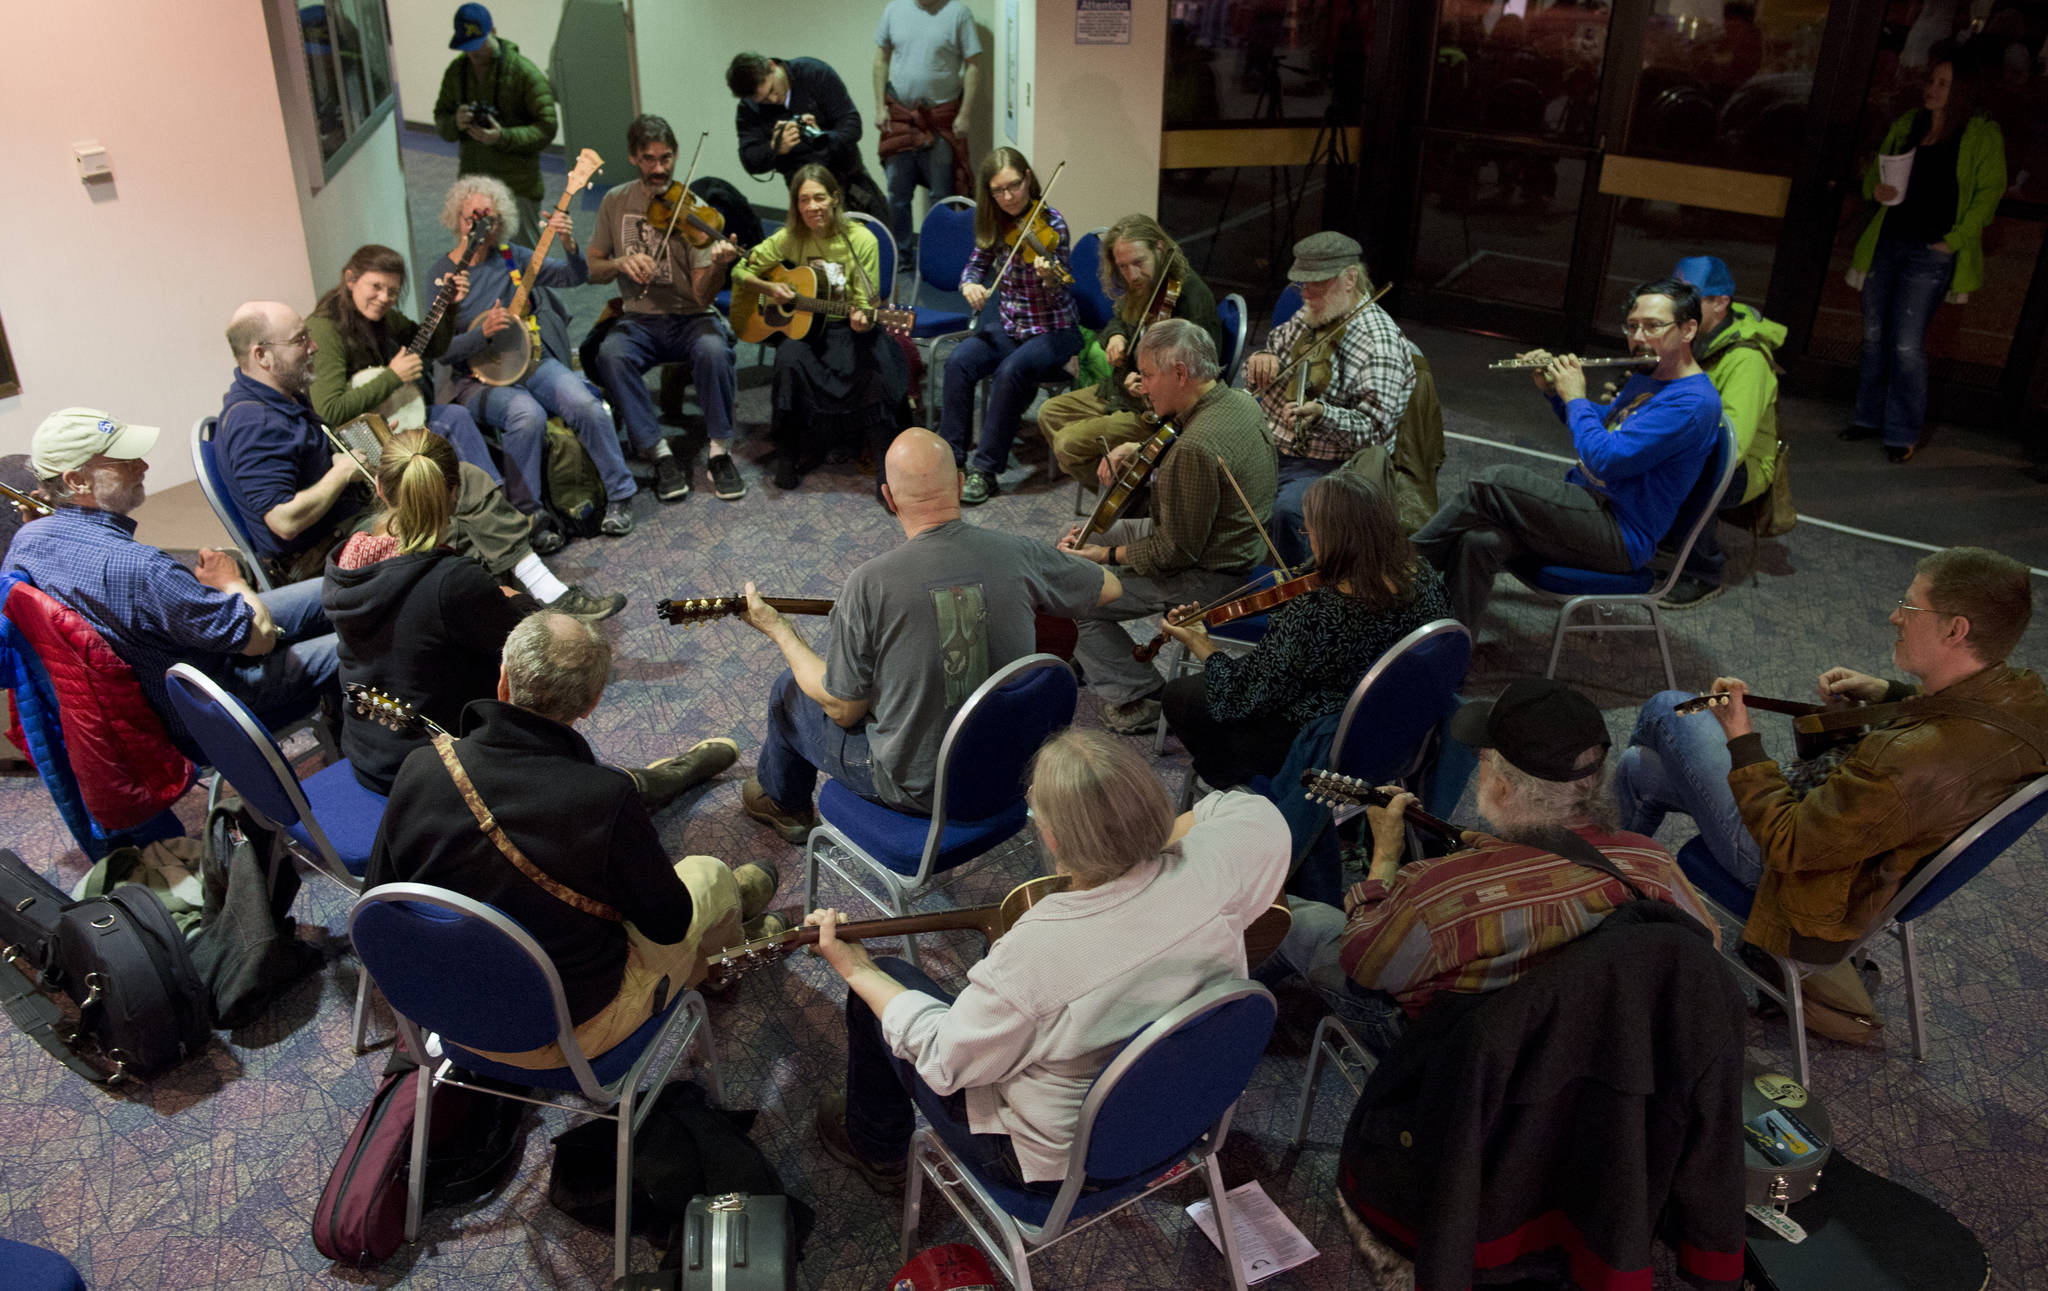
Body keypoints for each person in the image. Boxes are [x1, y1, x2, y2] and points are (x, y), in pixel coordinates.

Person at [806, 728, 1288, 1192]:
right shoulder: (1220, 865)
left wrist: (855, 968)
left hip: (1064, 1167)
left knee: (885, 983)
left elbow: (942, 1060)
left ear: (1054, 837)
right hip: (1187, 1110)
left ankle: (876, 1146)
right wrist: (1153, 846)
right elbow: (1244, 807)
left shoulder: (1036, 954)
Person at [365, 611, 774, 1068]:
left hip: (447, 1014)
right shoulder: (604, 797)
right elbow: (667, 925)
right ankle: (722, 963)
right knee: (709, 875)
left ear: (502, 679)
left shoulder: (422, 767)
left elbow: (378, 898)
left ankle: (723, 936)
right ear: (592, 703)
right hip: (566, 1034)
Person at [1617, 547, 2048, 968]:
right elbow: (1957, 723)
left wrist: (1740, 736)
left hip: (1791, 874)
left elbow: (1787, 844)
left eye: (1910, 608)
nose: (1895, 616)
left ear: (1955, 630)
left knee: (1670, 708)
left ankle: (1598, 885)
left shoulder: (1906, 758)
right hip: (1850, 858)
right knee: (1640, 767)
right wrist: (1889, 694)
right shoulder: (2026, 697)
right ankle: (1606, 878)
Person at [1268, 679, 1716, 1056]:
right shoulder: (1650, 861)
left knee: (1292, 916)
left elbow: (1364, 962)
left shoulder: (1438, 894)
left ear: (1501, 788)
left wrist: (1384, 858)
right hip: (1592, 1057)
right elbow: (1706, 945)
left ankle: (1228, 1005)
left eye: (1482, 757)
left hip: (1456, 1057)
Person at [736, 428, 1116, 840]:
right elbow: (1111, 588)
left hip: (920, 791)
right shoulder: (1020, 552)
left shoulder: (868, 584)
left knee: (788, 691)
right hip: (1013, 771)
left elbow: (843, 709)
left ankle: (785, 804)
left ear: (888, 497)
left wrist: (780, 630)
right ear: (957, 484)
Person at [326, 430, 736, 803]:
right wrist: (508, 598)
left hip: (371, 754)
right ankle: (640, 786)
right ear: (454, 493)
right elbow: (529, 645)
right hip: (445, 762)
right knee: (561, 662)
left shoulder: (346, 559)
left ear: (379, 488)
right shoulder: (450, 582)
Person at [216, 299, 620, 619]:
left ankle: (533, 602)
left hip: (346, 520)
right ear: (262, 356)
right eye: (300, 340)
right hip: (323, 554)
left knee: (459, 477)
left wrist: (361, 457)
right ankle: (528, 611)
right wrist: (340, 474)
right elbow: (282, 522)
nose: (313, 346)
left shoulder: (281, 396)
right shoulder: (256, 423)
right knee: (457, 527)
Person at [3, 408, 338, 760]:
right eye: (123, 460)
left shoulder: (26, 542)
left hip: (160, 690)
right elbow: (259, 640)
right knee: (355, 641)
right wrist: (231, 583)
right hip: (211, 702)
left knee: (330, 590)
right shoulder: (143, 569)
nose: (142, 466)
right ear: (76, 481)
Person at [1410, 278, 1722, 632]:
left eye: (1652, 326)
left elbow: (1604, 457)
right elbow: (1600, 429)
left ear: (1688, 329)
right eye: (1632, 327)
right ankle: (1444, 652)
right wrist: (1556, 393)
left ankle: (1395, 573)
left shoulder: (1693, 402)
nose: (1638, 338)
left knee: (1494, 481)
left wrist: (1575, 396)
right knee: (1477, 542)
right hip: (1586, 506)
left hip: (1619, 532)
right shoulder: (1647, 376)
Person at [1160, 474, 1451, 790]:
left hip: (1322, 741)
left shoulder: (1315, 614)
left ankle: (1252, 789)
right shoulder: (1425, 579)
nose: (1308, 538)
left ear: (1331, 538)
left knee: (1180, 695)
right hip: (1395, 730)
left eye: (1309, 530)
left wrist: (1200, 642)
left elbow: (1240, 697)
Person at [1058, 319, 1277, 736]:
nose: (1142, 386)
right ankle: (1090, 656)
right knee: (1085, 536)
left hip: (1210, 576)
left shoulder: (1194, 449)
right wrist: (1139, 448)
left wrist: (1104, 557)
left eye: (1150, 375)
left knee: (1075, 598)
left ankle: (1143, 696)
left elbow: (1173, 552)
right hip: (1224, 545)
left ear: (1180, 373)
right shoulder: (1239, 403)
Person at [426, 175, 641, 533]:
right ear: (457, 221)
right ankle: (530, 514)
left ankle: (620, 493)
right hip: (474, 378)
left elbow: (574, 277)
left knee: (585, 403)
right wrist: (481, 334)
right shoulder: (444, 273)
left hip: (529, 362)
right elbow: (441, 352)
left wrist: (569, 243)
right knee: (527, 415)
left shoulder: (513, 256)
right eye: (471, 218)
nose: (480, 227)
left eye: (489, 219)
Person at [1841, 43, 2004, 463]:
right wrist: (1874, 189)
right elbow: (1876, 176)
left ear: (1962, 91)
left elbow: (1988, 196)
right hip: (1888, 241)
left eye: (1943, 84)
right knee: (1875, 336)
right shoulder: (1909, 123)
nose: (1931, 88)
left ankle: (1901, 431)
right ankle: (1867, 417)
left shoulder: (1980, 134)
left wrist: (1953, 240)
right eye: (1931, 81)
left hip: (1929, 251)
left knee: (1907, 344)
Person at [587, 114, 747, 505]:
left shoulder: (693, 210)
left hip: (689, 317)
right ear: (633, 159)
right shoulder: (615, 201)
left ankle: (719, 451)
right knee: (611, 354)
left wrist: (719, 267)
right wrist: (620, 263)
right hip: (639, 318)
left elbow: (702, 297)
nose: (659, 168)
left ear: (676, 156)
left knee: (714, 349)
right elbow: (593, 268)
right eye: (649, 159)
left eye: (666, 158)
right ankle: (659, 453)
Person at [305, 244, 515, 526]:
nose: (384, 298)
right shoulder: (325, 328)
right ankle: (484, 517)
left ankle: (492, 504)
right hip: (358, 438)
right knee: (450, 423)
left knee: (456, 415)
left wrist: (450, 307)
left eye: (392, 291)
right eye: (376, 286)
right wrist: (393, 377)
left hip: (389, 419)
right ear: (350, 278)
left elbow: (433, 346)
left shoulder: (383, 316)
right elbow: (330, 410)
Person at [730, 164, 910, 490]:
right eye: (803, 200)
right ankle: (788, 453)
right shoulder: (790, 238)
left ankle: (884, 464)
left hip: (850, 327)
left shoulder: (861, 240)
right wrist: (769, 289)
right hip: (807, 330)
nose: (812, 207)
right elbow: (740, 271)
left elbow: (865, 304)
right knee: (788, 360)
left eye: (819, 198)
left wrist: (862, 320)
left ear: (835, 199)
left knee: (876, 363)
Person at [1243, 232, 1417, 569]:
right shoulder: (1312, 314)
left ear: (1349, 279)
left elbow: (1375, 433)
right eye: (1302, 285)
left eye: (1315, 285)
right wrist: (1261, 361)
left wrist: (1324, 414)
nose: (1305, 294)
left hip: (1334, 466)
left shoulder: (1378, 343)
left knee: (1290, 511)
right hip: (1276, 447)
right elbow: (1266, 367)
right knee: (1207, 466)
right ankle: (1226, 583)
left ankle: (1303, 596)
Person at [942, 148, 1083, 505]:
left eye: (1014, 186)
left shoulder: (1053, 225)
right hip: (1012, 327)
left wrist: (1050, 281)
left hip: (1054, 329)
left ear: (1028, 178)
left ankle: (986, 470)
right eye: (998, 191)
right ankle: (950, 458)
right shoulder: (993, 223)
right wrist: (969, 285)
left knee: (1011, 371)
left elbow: (1061, 294)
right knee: (959, 359)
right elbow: (975, 265)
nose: (1008, 197)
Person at [1038, 214, 1220, 489]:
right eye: (1122, 266)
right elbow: (1120, 318)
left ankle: (1131, 500)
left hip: (1153, 411)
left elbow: (1198, 379)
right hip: (1122, 390)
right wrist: (1116, 336)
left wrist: (1149, 384)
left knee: (1067, 445)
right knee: (1049, 412)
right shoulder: (1142, 286)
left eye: (1138, 263)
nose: (1131, 275)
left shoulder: (1190, 299)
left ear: (1159, 248)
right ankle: (1118, 483)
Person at [1661, 254, 1785, 610]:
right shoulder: (1696, 334)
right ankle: (1666, 536)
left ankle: (1704, 573)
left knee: (1692, 473)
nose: (1678, 310)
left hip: (1742, 464)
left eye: (1690, 301)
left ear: (1721, 303)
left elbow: (1732, 445)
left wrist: (1665, 433)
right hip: (1697, 444)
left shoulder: (1747, 359)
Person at [431, 4, 558, 247]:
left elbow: (547, 128)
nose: (473, 53)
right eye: (467, 47)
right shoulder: (457, 73)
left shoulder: (523, 73)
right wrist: (454, 123)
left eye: (478, 44)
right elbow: (441, 120)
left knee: (525, 263)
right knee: (479, 259)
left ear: (494, 32)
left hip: (517, 187)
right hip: (474, 185)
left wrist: (502, 137)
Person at [872, 0, 982, 255]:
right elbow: (880, 59)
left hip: (940, 118)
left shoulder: (959, 13)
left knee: (940, 195)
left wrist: (965, 113)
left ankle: (936, 255)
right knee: (897, 195)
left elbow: (973, 66)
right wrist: (880, 106)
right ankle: (902, 254)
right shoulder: (893, 9)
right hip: (899, 116)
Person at [727, 52, 887, 221]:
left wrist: (823, 137)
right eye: (764, 101)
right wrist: (775, 148)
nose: (773, 100)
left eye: (772, 90)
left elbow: (853, 125)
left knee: (879, 239)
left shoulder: (813, 73)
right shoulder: (749, 108)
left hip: (849, 177)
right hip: (804, 192)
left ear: (772, 66)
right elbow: (750, 160)